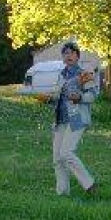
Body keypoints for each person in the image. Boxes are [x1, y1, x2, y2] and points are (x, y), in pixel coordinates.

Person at [44, 41, 98, 196]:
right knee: (57, 159)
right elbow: (59, 98)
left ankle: (89, 184)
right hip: (60, 120)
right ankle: (62, 193)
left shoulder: (84, 73)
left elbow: (93, 95)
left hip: (77, 119)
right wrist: (48, 99)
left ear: (77, 56)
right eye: (65, 53)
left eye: (71, 53)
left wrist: (80, 97)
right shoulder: (61, 76)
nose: (68, 56)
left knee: (66, 153)